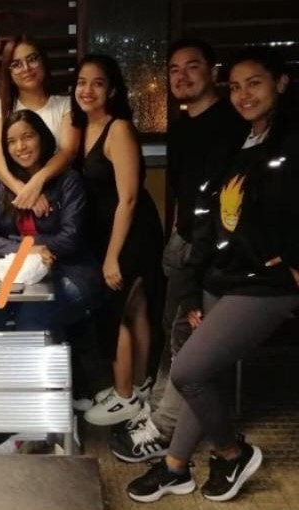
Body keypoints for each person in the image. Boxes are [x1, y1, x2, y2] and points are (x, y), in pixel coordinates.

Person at [127, 46, 299, 503]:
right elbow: (216, 216)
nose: (244, 95)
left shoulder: (291, 140)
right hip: (223, 274)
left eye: (255, 83)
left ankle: (231, 453)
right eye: (237, 86)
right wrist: (199, 278)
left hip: (266, 284)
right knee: (208, 372)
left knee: (188, 370)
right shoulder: (242, 142)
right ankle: (175, 467)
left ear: (281, 83)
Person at [110, 39, 248, 463]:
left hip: (213, 250)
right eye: (173, 69)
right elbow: (184, 191)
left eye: (192, 66)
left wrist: (204, 256)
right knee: (172, 332)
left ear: (212, 71)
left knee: (189, 339)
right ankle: (156, 412)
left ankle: (166, 429)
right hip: (183, 240)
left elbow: (228, 202)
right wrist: (176, 234)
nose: (181, 76)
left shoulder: (232, 124)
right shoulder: (185, 123)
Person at [72, 54, 164, 426]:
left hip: (131, 232)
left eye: (97, 83)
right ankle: (138, 388)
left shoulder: (119, 128)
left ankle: (124, 395)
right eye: (82, 82)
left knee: (118, 311)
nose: (87, 90)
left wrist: (112, 256)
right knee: (136, 308)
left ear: (112, 90)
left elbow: (128, 198)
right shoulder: (83, 128)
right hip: (107, 232)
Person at [0, 109, 99, 334]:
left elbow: (69, 239)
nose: (20, 147)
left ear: (42, 137)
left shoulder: (68, 180)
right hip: (16, 273)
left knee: (31, 320)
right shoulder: (0, 184)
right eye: (11, 141)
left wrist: (28, 247)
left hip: (66, 270)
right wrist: (26, 249)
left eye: (28, 137)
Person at [0, 35, 80, 215]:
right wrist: (24, 191)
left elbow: (68, 151)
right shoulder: (0, 108)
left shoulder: (65, 105)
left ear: (43, 61)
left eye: (32, 59)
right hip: (14, 199)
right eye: (16, 64)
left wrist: (37, 182)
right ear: (8, 72)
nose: (26, 68)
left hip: (61, 194)